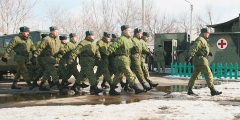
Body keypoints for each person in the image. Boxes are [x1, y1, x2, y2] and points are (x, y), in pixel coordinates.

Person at [106, 25, 145, 95]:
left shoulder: (128, 40)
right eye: (128, 30)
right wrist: (107, 53)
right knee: (129, 74)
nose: (130, 31)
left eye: (130, 30)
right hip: (121, 59)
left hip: (126, 59)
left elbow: (129, 49)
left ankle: (112, 89)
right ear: (124, 31)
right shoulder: (121, 39)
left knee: (118, 75)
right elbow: (113, 46)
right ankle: (136, 88)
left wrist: (133, 49)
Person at [185, 28, 222, 96]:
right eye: (208, 33)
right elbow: (194, 47)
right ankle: (212, 90)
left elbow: (201, 49)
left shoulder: (203, 40)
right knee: (208, 74)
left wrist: (208, 53)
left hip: (198, 60)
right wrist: (189, 56)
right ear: (204, 33)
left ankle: (189, 90)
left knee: (194, 75)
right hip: (201, 60)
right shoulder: (200, 39)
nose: (209, 34)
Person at [32, 26, 66, 91]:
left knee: (47, 73)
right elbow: (40, 48)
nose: (57, 33)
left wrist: (61, 51)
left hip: (53, 58)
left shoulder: (58, 40)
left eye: (57, 32)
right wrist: (34, 56)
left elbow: (61, 47)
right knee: (53, 72)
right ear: (51, 31)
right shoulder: (47, 39)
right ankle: (59, 86)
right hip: (47, 58)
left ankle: (41, 85)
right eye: (55, 31)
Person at [69, 31, 103, 95]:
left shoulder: (93, 43)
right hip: (85, 60)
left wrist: (98, 56)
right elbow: (76, 51)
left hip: (91, 60)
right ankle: (94, 87)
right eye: (92, 35)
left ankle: (74, 86)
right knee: (90, 74)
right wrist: (71, 59)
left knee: (83, 75)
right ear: (88, 36)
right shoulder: (83, 43)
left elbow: (96, 50)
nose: (93, 36)